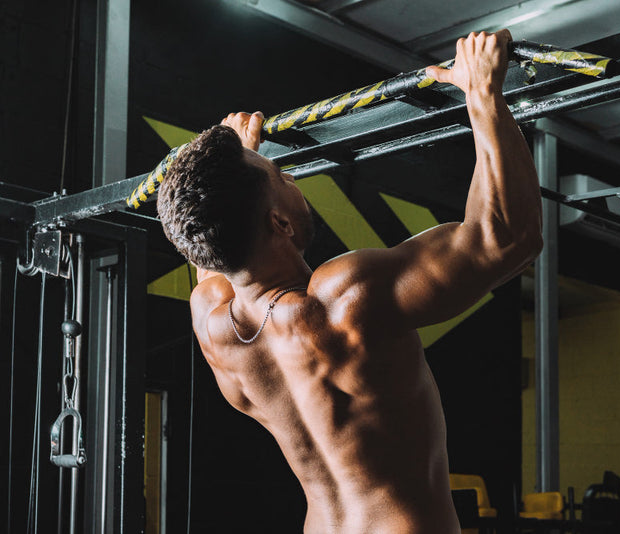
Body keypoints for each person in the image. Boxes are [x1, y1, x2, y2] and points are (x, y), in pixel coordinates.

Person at [157, 29, 542, 534]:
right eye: (280, 175)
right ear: (279, 223)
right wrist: (482, 93)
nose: (292, 178)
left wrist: (243, 163)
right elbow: (506, 239)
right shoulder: (343, 298)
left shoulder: (213, 324)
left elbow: (209, 238)